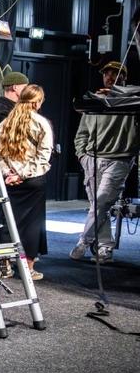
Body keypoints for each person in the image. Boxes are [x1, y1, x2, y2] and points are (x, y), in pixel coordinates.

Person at [70, 61, 139, 263]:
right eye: (107, 74)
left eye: (115, 74)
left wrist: (118, 94)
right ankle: (105, 248)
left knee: (100, 203)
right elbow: (82, 133)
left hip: (119, 160)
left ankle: (84, 241)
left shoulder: (132, 102)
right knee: (98, 207)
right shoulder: (95, 101)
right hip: (92, 159)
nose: (110, 77)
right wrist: (82, 155)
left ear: (124, 78)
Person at [0, 84, 53, 280]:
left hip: (9, 181)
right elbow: (43, 157)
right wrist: (23, 175)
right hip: (32, 182)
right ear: (37, 102)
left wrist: (8, 173)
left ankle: (5, 265)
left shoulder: (6, 123)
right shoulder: (42, 123)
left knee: (7, 221)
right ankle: (28, 269)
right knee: (32, 225)